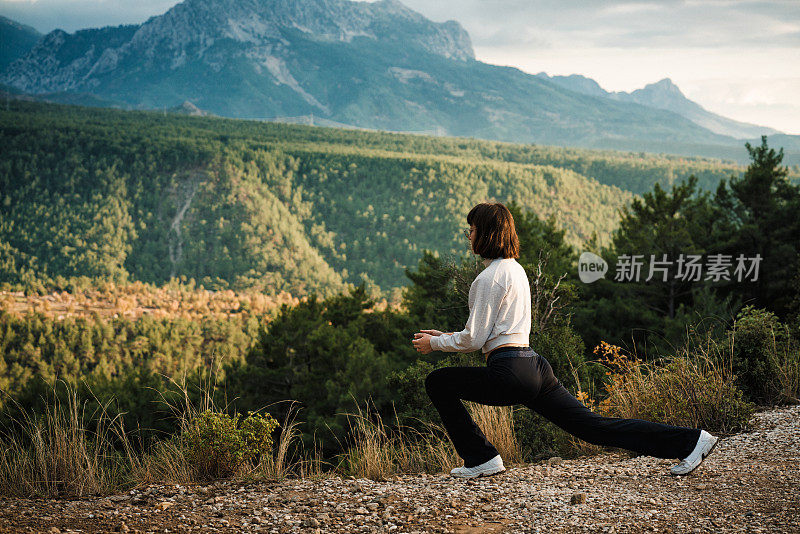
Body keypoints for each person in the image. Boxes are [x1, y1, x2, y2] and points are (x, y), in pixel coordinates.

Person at [411, 202, 718, 479]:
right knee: (594, 427)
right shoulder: (515, 270)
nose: (469, 235)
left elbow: (475, 339)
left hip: (508, 371)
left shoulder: (488, 278)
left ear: (487, 234)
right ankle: (691, 441)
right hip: (533, 367)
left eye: (473, 229)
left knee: (438, 382)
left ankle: (482, 457)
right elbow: (493, 331)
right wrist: (448, 337)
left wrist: (435, 344)